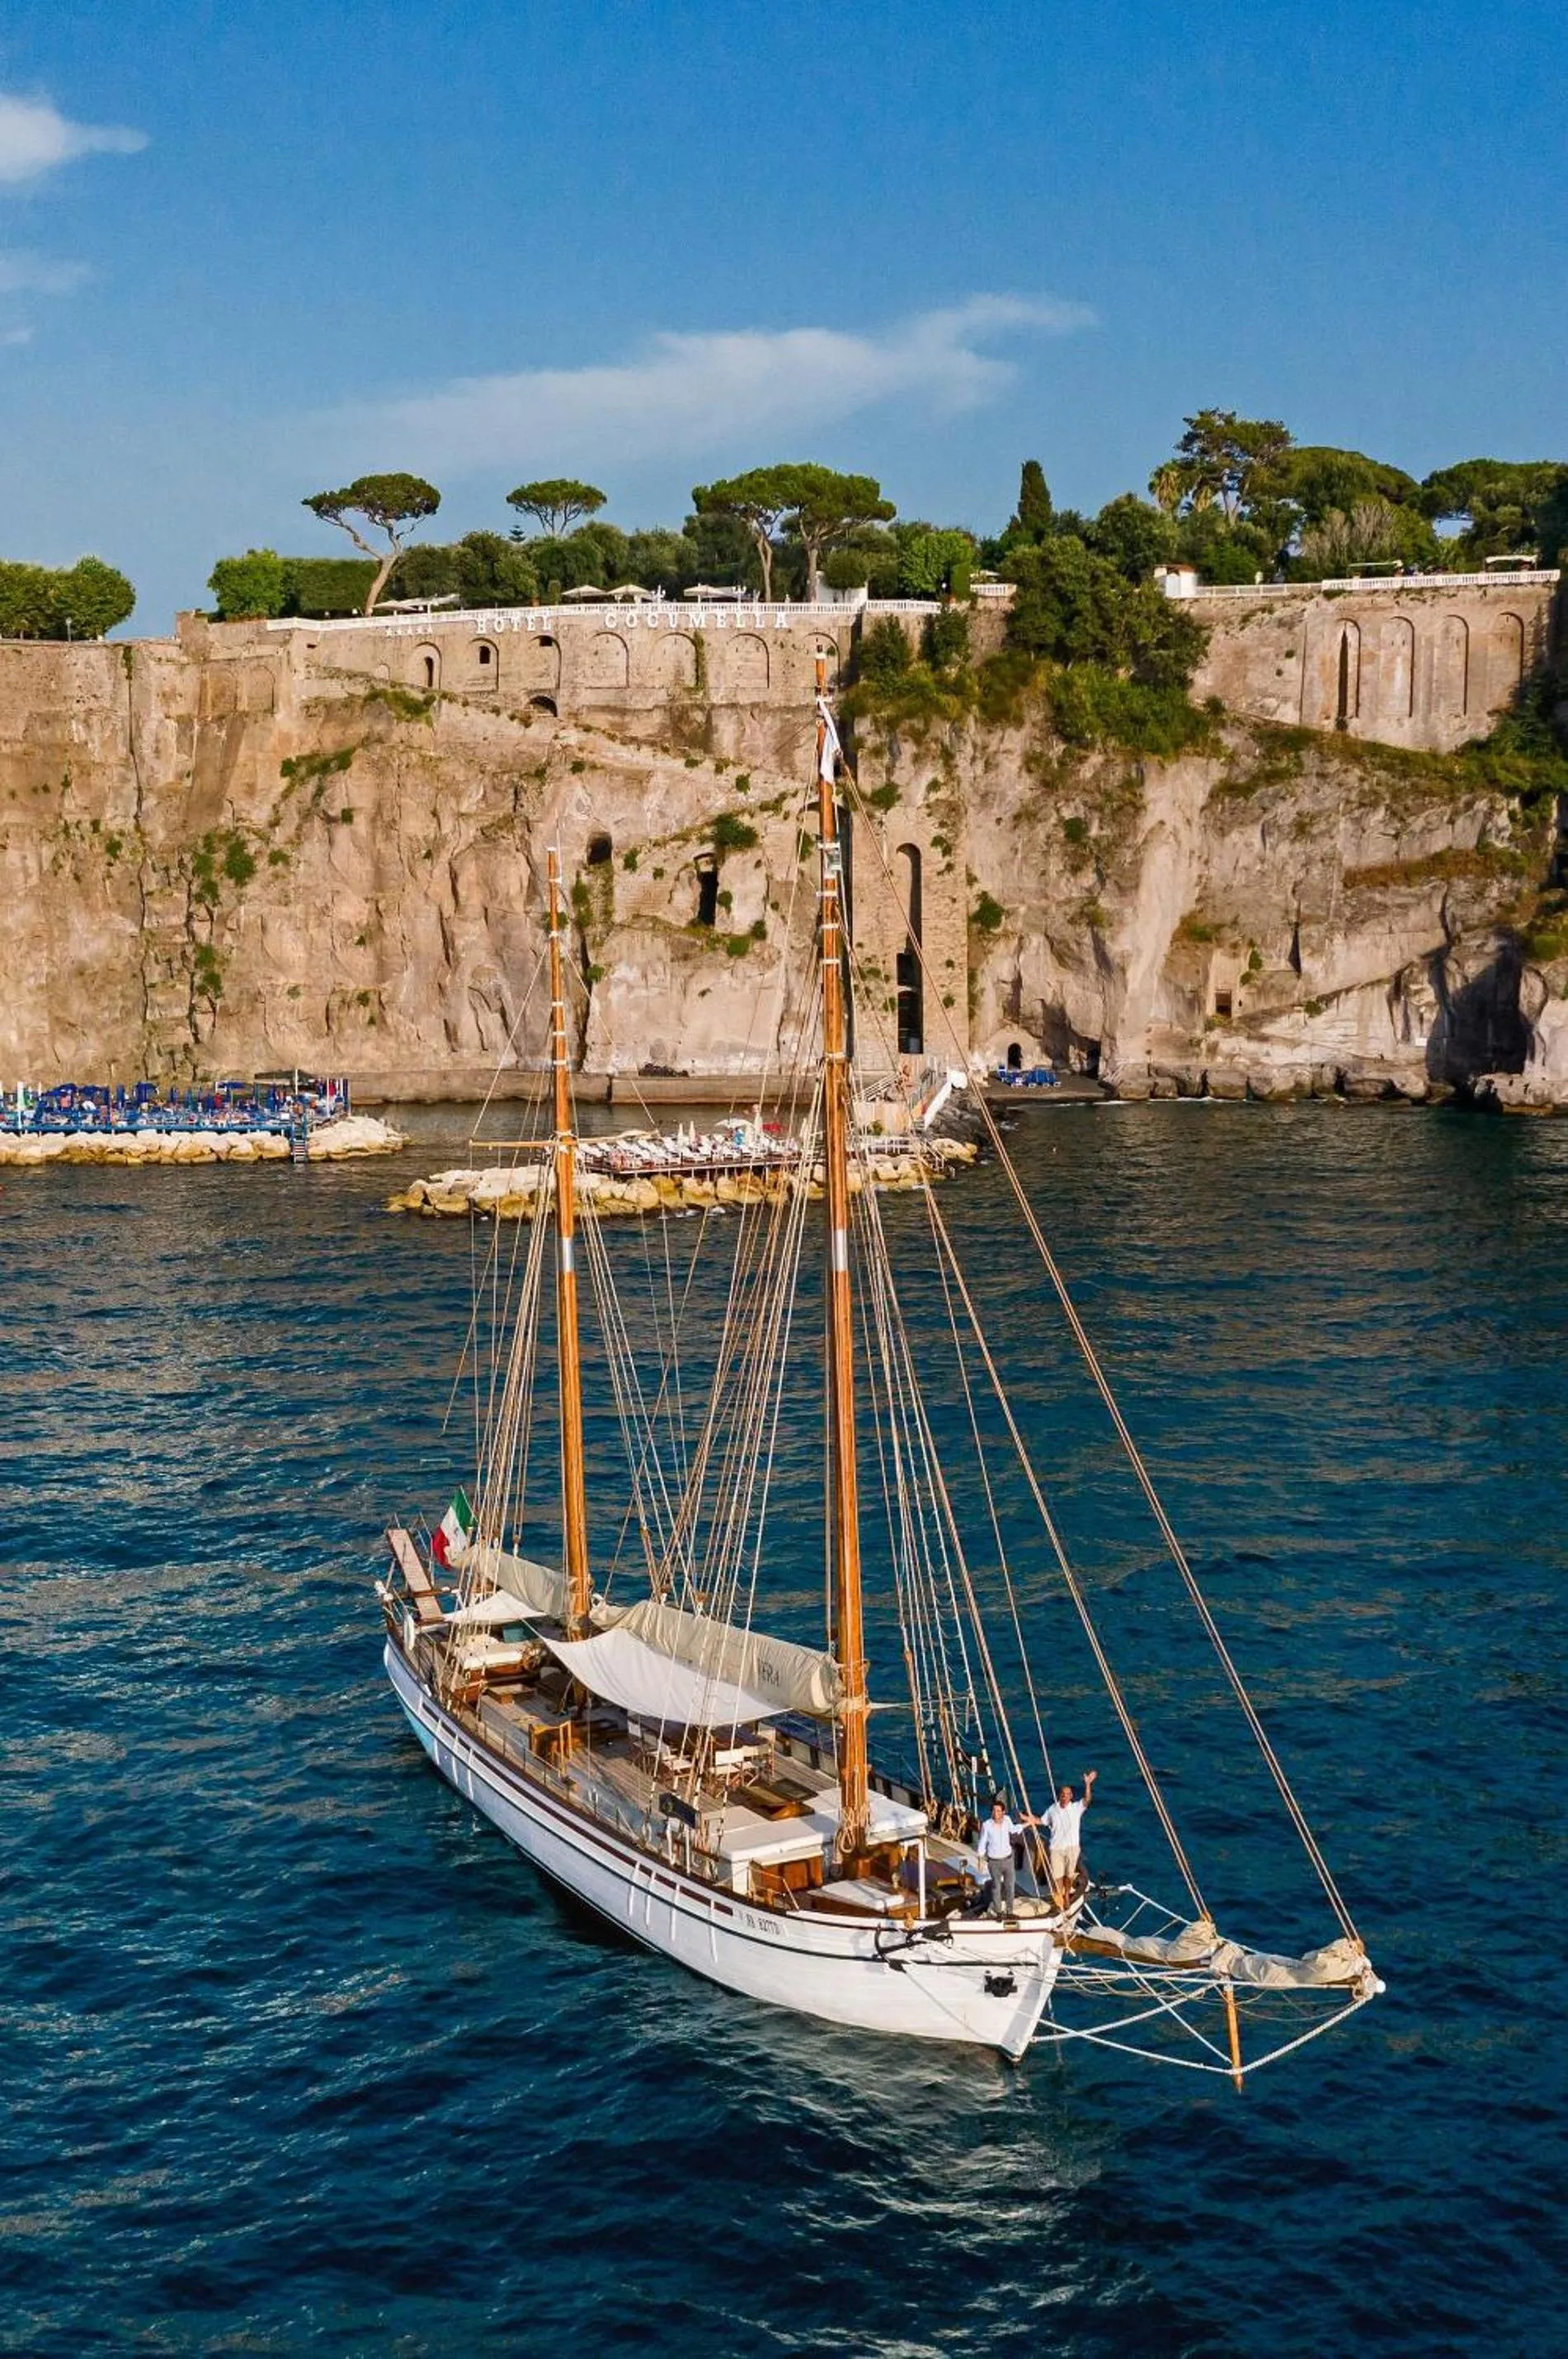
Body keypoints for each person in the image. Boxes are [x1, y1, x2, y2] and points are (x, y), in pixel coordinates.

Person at [973, 1796, 1045, 1919]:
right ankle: (998, 1912)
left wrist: (1028, 1823)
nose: (995, 1813)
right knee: (996, 1887)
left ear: (1003, 1812)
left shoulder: (1007, 1820)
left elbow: (1014, 1829)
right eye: (994, 1811)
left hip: (1008, 1860)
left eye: (998, 1811)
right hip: (994, 1862)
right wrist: (980, 1859)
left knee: (1010, 1886)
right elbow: (982, 1842)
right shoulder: (987, 1825)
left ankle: (1009, 1911)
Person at [1040, 1771, 1097, 1900]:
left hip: (1072, 1847)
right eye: (1063, 1794)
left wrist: (1088, 1784)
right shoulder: (1052, 1809)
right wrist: (1028, 1819)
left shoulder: (1076, 1808)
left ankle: (1066, 1894)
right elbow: (1042, 1821)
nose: (1065, 1796)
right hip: (1056, 1848)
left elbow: (1087, 1799)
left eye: (1067, 1794)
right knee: (1057, 1875)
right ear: (1059, 1795)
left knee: (1069, 1875)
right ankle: (1060, 1894)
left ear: (1071, 1796)